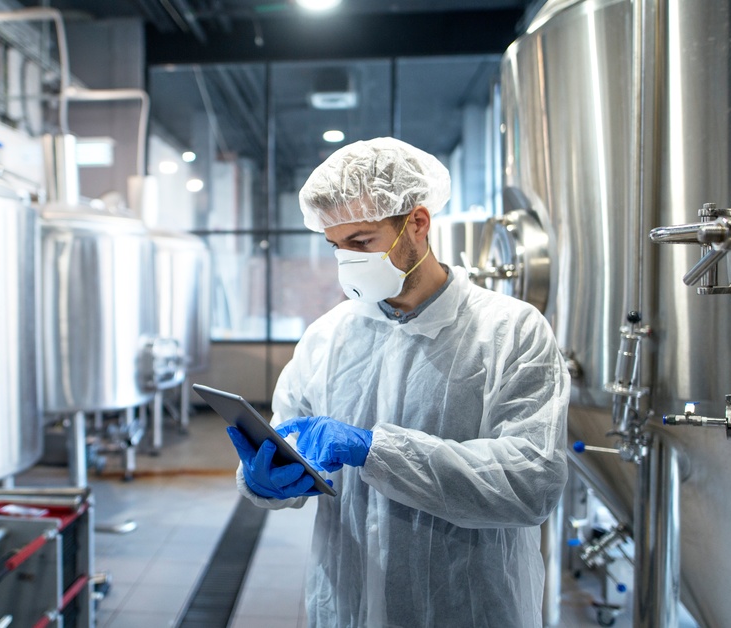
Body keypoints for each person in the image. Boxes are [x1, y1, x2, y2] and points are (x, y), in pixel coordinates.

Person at [226, 137, 570, 627]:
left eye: (362, 242)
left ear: (417, 223)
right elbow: (292, 442)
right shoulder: (327, 337)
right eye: (336, 246)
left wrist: (375, 450)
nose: (348, 261)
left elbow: (531, 482)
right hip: (347, 606)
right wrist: (267, 478)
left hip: (468, 606)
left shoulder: (510, 331)